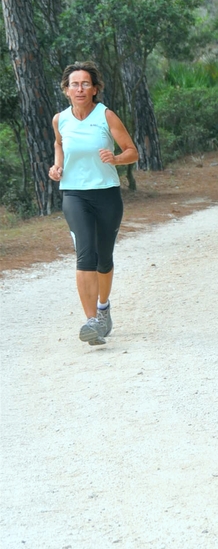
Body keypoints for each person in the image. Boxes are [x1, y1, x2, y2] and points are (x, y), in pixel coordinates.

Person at [48, 61, 138, 346]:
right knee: (85, 254)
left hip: (107, 193)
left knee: (104, 259)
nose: (80, 89)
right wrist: (57, 166)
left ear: (95, 89)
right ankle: (92, 322)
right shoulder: (59, 119)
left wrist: (116, 158)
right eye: (74, 84)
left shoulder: (106, 115)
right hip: (74, 194)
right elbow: (59, 143)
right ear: (65, 90)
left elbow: (132, 151)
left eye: (85, 83)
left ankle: (103, 308)